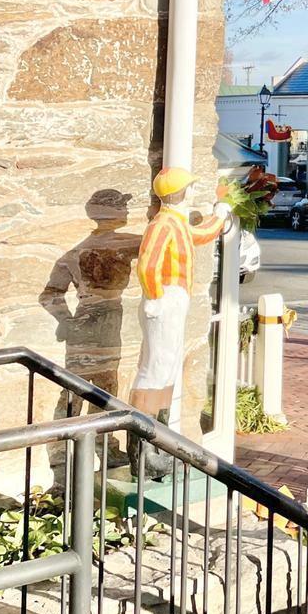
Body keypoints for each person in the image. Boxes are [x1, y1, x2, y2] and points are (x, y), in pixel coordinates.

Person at [128, 167, 229, 472]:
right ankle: (142, 449)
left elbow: (200, 235)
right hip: (165, 300)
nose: (189, 192)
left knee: (168, 366)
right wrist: (156, 297)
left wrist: (219, 215)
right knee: (155, 368)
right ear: (177, 193)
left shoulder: (175, 222)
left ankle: (156, 443)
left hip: (173, 299)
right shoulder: (162, 225)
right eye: (186, 189)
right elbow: (147, 264)